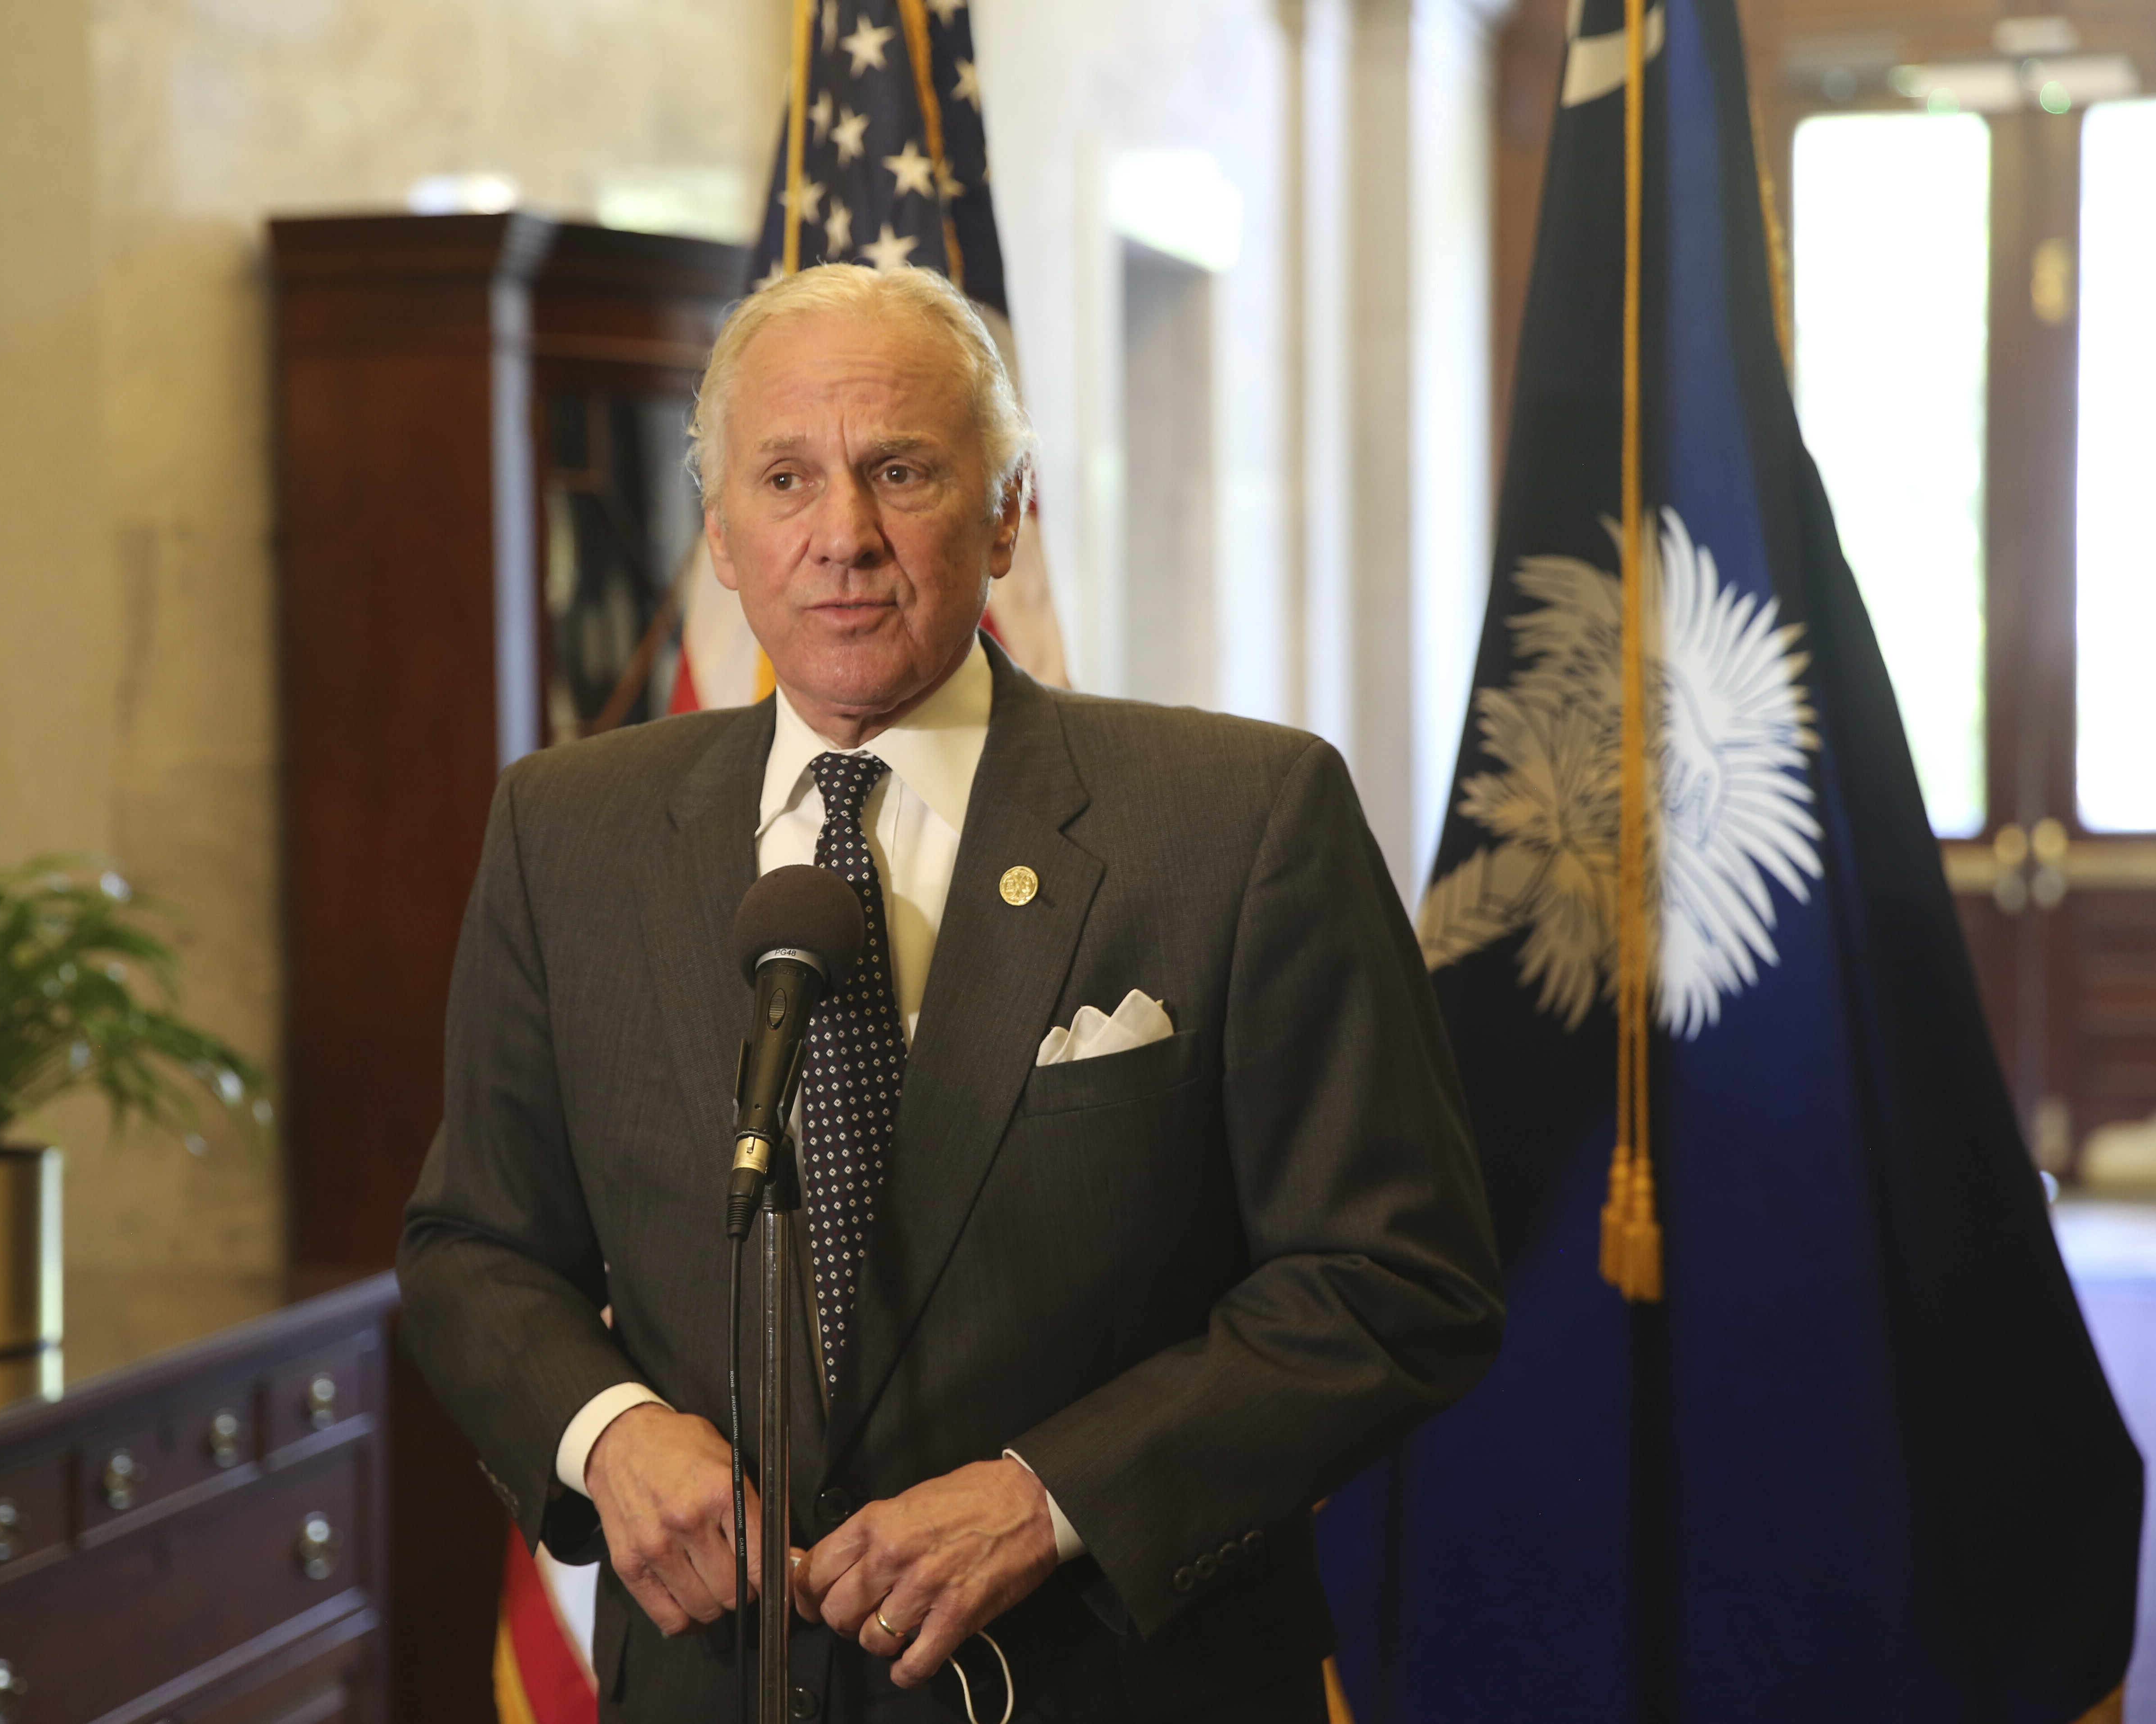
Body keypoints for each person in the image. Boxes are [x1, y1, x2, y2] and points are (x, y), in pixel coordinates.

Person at [398, 263, 1503, 1723]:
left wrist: (1050, 1497)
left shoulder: (1239, 817)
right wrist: (604, 1434)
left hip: (1111, 1678)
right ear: (720, 533)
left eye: (899, 470)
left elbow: (1394, 1278)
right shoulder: (567, 831)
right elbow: (475, 1241)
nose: (841, 536)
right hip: (719, 1680)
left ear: (1003, 513)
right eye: (785, 478)